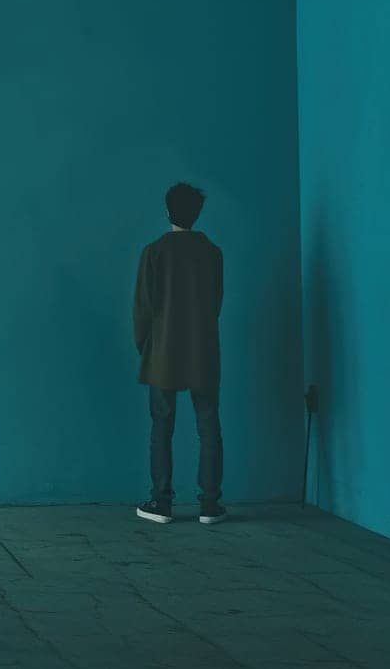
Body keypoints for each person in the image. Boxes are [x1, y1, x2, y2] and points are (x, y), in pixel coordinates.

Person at [133, 182, 225, 524]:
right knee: (209, 426)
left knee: (162, 426)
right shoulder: (213, 253)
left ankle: (161, 502)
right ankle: (210, 504)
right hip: (203, 351)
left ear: (168, 211)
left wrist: (146, 345)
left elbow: (142, 308)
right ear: (197, 213)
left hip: (164, 353)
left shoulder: (154, 252)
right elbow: (216, 304)